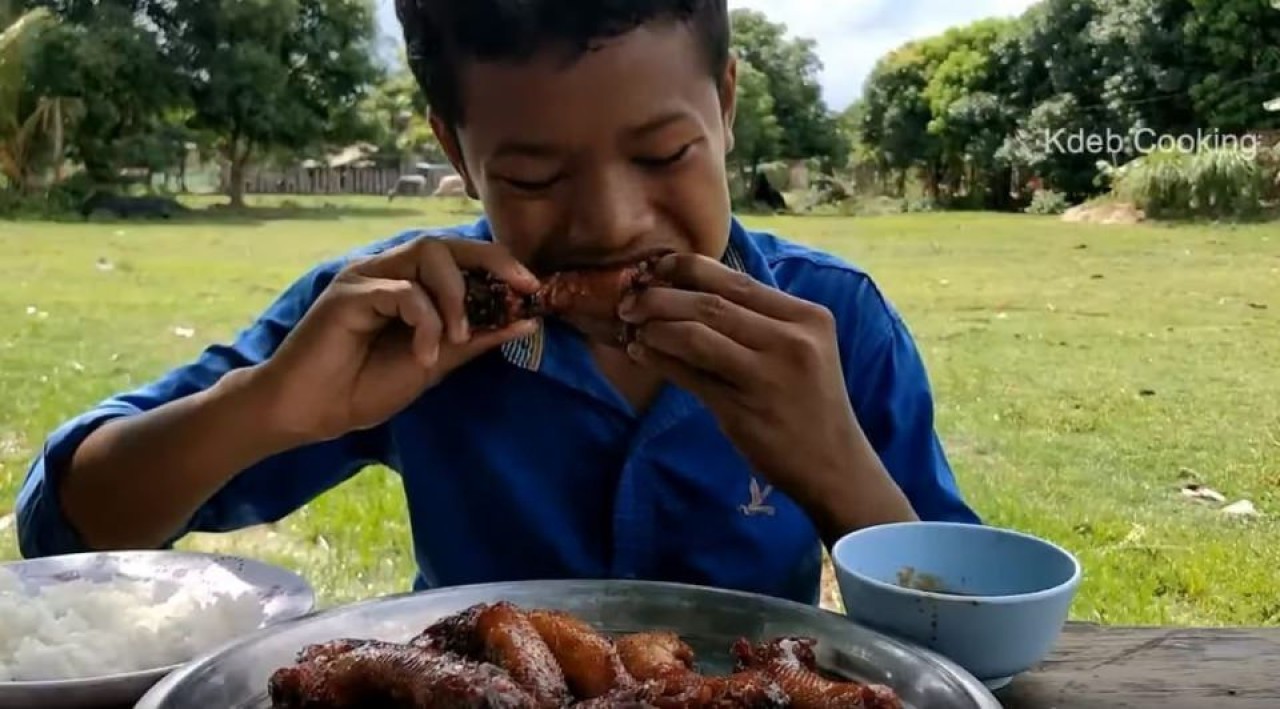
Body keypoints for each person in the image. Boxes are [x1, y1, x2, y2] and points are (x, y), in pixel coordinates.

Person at [15, 0, 980, 606]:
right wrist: (269, 405)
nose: (610, 221)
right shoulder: (400, 312)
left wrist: (840, 472)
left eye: (662, 155)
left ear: (725, 104)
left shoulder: (831, 323)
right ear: (452, 148)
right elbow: (66, 528)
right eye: (530, 175)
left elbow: (978, 630)